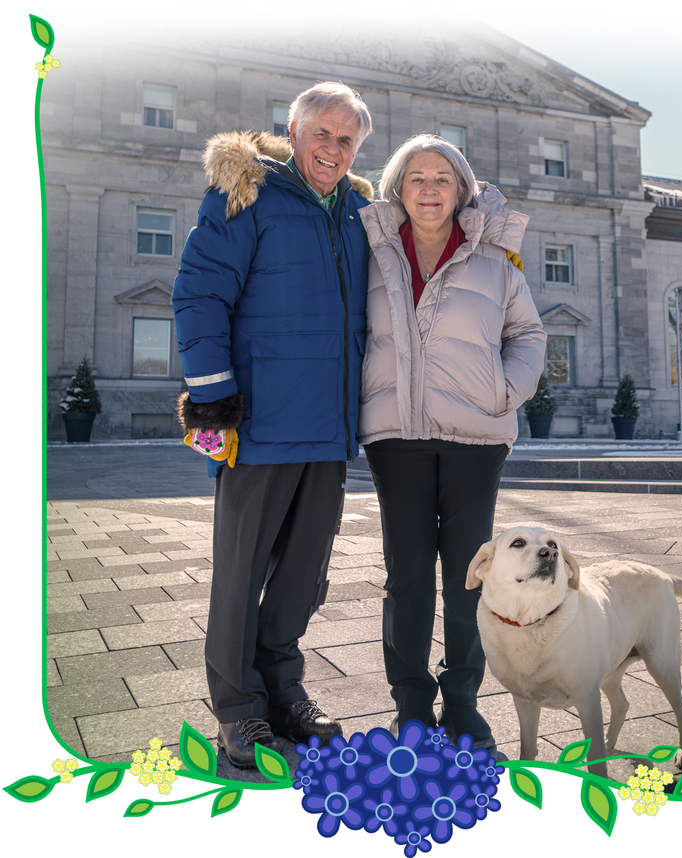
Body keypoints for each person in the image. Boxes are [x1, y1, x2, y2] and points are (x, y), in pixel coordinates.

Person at [171, 82, 373, 768]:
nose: (334, 149)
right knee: (241, 574)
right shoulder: (247, 193)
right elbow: (200, 295)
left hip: (329, 428)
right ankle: (238, 710)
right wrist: (213, 401)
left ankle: (284, 693)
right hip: (258, 426)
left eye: (347, 140)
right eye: (322, 134)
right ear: (294, 132)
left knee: (303, 578)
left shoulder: (358, 212)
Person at [357, 134, 546, 750]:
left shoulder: (496, 256)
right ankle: (412, 704)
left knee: (471, 575)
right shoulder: (370, 248)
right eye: (417, 178)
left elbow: (528, 333)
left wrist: (505, 391)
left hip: (475, 440)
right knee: (407, 576)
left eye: (443, 178)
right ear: (398, 188)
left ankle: (463, 701)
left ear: (462, 190)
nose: (430, 189)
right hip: (397, 437)